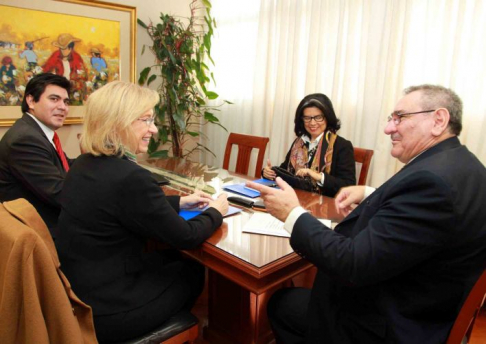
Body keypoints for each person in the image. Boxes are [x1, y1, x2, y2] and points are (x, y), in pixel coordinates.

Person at [248, 85, 486, 344]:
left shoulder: (431, 183)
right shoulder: (462, 165)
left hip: (389, 323)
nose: (388, 128)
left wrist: (291, 213)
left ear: (438, 120)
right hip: (425, 300)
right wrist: (372, 194)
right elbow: (418, 219)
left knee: (283, 303)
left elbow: (352, 264)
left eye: (399, 118)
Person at [55, 81, 229, 343]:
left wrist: (181, 203)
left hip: (81, 293)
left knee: (168, 257)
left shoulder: (83, 165)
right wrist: (216, 210)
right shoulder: (129, 176)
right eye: (146, 120)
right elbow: (186, 236)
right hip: (111, 312)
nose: (154, 129)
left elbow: (121, 208)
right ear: (118, 123)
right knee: (193, 270)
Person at [0, 73, 73, 238]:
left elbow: (66, 164)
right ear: (31, 101)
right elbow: (59, 194)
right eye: (54, 99)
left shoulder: (36, 132)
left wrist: (98, 157)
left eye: (66, 101)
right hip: (41, 234)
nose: (63, 107)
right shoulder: (25, 139)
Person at [263, 93, 355, 197]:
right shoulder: (299, 142)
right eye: (307, 118)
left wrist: (318, 176)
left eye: (318, 117)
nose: (312, 123)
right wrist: (269, 173)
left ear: (328, 117)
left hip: (325, 206)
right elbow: (285, 171)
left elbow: (348, 186)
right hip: (294, 200)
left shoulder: (342, 146)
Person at [42, 33, 87, 99]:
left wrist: (74, 81)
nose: (62, 51)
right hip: (56, 87)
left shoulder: (76, 57)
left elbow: (83, 74)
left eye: (64, 49)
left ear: (70, 48)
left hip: (72, 89)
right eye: (61, 49)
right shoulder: (55, 55)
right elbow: (45, 69)